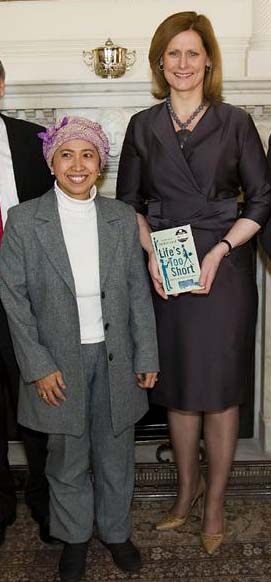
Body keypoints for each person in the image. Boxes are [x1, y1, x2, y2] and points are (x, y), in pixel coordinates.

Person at [117, 11, 271, 555]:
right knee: (179, 393)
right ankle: (185, 496)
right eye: (173, 53)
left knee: (220, 393)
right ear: (161, 62)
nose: (183, 63)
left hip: (223, 268)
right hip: (166, 263)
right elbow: (129, 204)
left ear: (208, 61)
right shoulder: (142, 125)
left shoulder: (236, 122)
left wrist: (224, 249)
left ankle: (214, 506)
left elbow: (262, 200)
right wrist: (151, 256)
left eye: (193, 53)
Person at [0, 115, 159, 582]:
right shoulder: (25, 221)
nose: (77, 164)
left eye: (87, 155)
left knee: (114, 454)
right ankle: (73, 538)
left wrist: (146, 354)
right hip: (57, 364)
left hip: (117, 358)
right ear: (51, 162)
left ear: (100, 164)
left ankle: (114, 532)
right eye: (66, 154)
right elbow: (14, 299)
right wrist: (38, 366)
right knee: (66, 459)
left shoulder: (120, 219)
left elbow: (136, 292)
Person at [0, 60, 55, 545]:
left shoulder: (35, 141)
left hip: (28, 300)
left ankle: (47, 508)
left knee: (38, 408)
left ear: (1, 85)